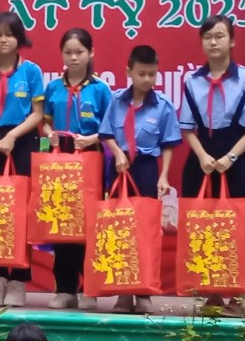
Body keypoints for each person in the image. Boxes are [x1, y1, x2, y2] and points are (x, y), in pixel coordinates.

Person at [179, 14, 245, 315]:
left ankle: (237, 295)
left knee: (238, 226)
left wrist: (231, 157)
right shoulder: (192, 81)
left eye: (220, 36)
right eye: (208, 37)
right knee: (205, 225)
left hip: (237, 156)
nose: (213, 42)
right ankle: (211, 295)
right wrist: (202, 156)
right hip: (202, 160)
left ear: (232, 41)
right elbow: (187, 128)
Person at [98, 45, 182, 314]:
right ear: (129, 72)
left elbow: (168, 144)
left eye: (152, 74)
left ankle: (144, 291)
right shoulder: (116, 100)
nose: (147, 79)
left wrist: (164, 176)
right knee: (121, 229)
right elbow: (106, 134)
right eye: (142, 74)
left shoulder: (163, 106)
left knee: (146, 231)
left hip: (146, 169)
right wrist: (116, 153)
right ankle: (123, 292)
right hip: (119, 170)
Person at [0, 12, 44, 307]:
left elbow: (38, 114)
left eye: (10, 34)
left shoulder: (31, 71)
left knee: (21, 213)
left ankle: (18, 281)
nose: (4, 40)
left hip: (23, 141)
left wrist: (13, 135)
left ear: (19, 38)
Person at [41, 28, 112, 310]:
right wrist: (50, 134)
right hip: (60, 159)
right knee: (62, 225)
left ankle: (88, 289)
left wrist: (92, 138)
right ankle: (65, 289)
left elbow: (110, 127)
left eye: (79, 52)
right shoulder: (53, 87)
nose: (73, 58)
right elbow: (45, 121)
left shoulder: (101, 88)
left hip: (90, 158)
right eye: (68, 52)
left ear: (91, 53)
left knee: (88, 226)